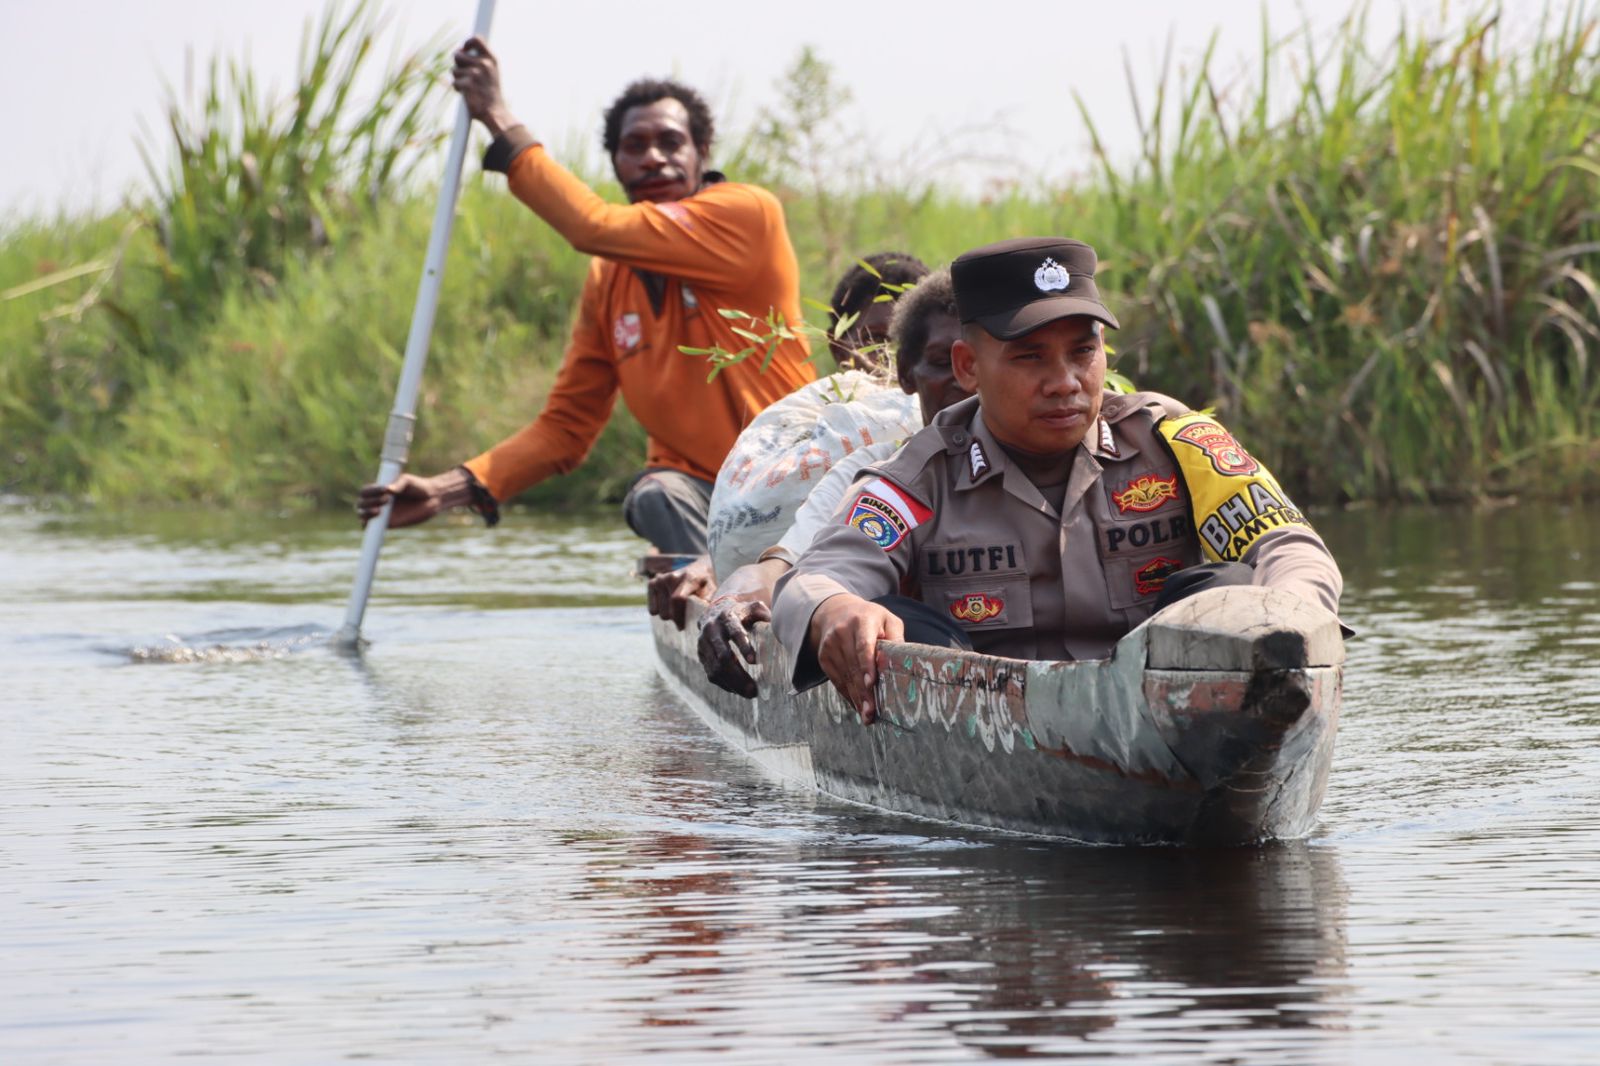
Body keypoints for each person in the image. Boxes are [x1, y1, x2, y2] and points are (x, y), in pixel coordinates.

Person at [771, 236, 1345, 723]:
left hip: (1165, 718)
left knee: (1238, 589)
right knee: (901, 621)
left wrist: (1286, 613)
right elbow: (810, 582)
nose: (1066, 382)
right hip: (990, 727)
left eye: (1082, 352)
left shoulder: (1175, 441)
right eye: (1031, 358)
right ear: (969, 366)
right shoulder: (919, 477)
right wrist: (837, 612)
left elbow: (1291, 545)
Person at [356, 39, 816, 554]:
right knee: (655, 494)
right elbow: (566, 428)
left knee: (683, 500)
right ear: (617, 163)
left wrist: (495, 115)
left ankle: (736, 590)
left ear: (701, 151)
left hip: (789, 481)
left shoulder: (744, 214)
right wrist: (447, 490)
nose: (653, 159)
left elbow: (589, 223)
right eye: (635, 146)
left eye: (670, 142)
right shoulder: (609, 280)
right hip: (696, 499)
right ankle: (711, 598)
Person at [691, 268, 972, 697]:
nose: (963, 380)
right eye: (941, 363)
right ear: (905, 375)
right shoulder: (882, 475)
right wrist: (728, 601)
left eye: (973, 362)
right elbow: (782, 569)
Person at [647, 252, 928, 624]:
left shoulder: (933, 442)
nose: (888, 362)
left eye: (904, 348)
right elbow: (785, 534)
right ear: (837, 346)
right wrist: (713, 568)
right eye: (874, 342)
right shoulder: (817, 441)